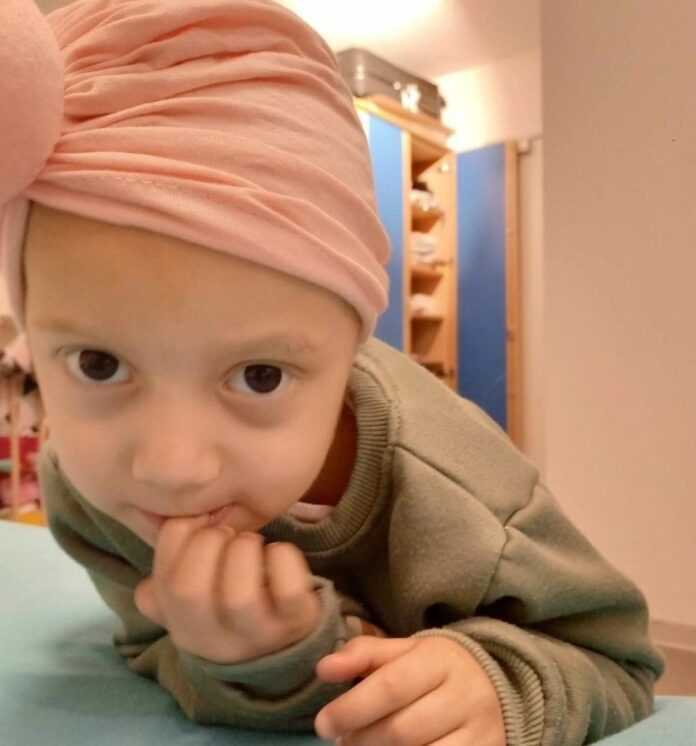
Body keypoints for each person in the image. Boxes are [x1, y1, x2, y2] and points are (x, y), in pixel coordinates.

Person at [0, 1, 663, 744]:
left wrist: (502, 684)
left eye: (259, 375)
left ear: (350, 346)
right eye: (98, 364)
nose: (172, 468)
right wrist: (256, 662)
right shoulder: (88, 495)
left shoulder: (461, 494)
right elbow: (154, 645)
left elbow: (618, 660)